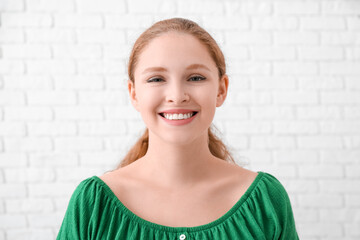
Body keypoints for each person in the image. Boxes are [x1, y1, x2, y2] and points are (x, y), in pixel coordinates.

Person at [56, 18, 299, 239]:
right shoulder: (93, 203)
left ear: (221, 89)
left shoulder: (265, 200)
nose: (176, 96)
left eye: (195, 78)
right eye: (156, 79)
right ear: (134, 94)